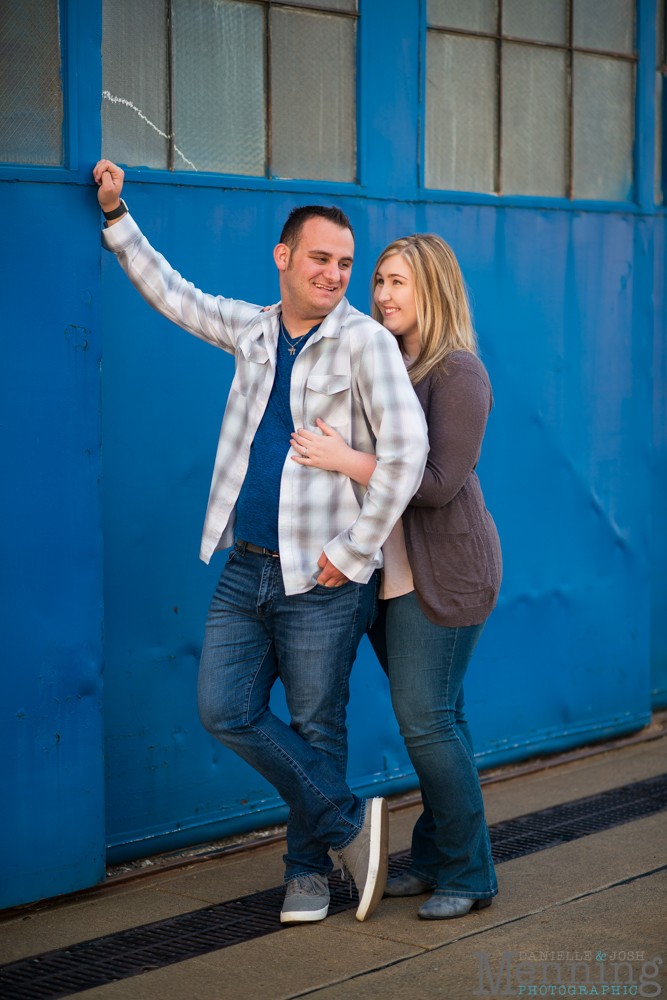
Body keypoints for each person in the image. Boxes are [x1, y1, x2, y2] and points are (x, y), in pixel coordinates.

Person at [93, 160, 429, 924]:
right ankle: (349, 824)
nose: (335, 274)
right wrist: (118, 220)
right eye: (320, 259)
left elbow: (408, 457)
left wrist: (352, 553)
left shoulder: (365, 344)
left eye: (345, 263)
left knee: (317, 724)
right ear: (284, 258)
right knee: (223, 708)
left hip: (324, 577)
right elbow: (176, 297)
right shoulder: (252, 330)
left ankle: (307, 875)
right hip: (245, 569)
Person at [289, 233, 501, 920]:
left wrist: (343, 458)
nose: (380, 294)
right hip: (387, 576)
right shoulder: (388, 366)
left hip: (444, 574)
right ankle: (439, 856)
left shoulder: (456, 373)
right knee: (442, 719)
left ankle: (470, 875)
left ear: (431, 289)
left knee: (427, 722)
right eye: (377, 280)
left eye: (396, 283)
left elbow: (437, 485)